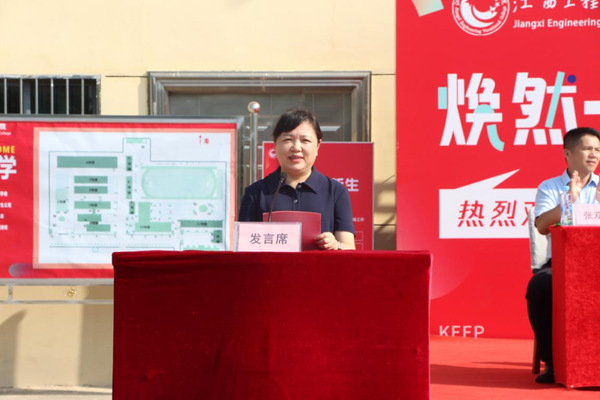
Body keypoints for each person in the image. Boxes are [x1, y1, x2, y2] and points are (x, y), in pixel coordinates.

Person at [526, 126, 600, 383]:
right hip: (562, 264)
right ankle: (553, 363)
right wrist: (569, 199)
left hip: (597, 264)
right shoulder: (550, 187)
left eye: (598, 150)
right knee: (540, 286)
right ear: (567, 153)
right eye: (587, 148)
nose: (594, 155)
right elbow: (542, 226)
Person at [238, 108, 356, 250]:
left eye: (305, 140)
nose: (296, 147)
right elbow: (244, 247)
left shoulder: (336, 191)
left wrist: (335, 244)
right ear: (275, 144)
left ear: (318, 145)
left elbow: (349, 246)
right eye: (287, 140)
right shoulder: (256, 193)